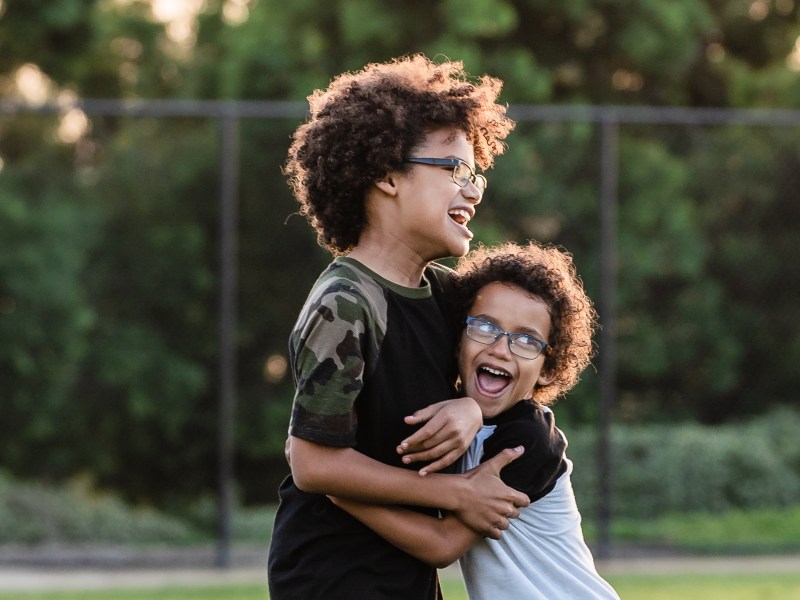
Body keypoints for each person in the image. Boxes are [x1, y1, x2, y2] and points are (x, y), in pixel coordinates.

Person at [267, 55, 531, 600]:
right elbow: (313, 463)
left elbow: (504, 373)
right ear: (387, 175)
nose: (474, 190)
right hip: (332, 579)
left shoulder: (446, 296)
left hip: (406, 576)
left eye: (475, 173)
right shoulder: (345, 304)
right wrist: (456, 493)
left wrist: (471, 406)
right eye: (455, 170)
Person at [333, 241, 621, 599]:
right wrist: (467, 407)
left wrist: (340, 493)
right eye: (485, 328)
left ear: (547, 370)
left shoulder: (525, 439)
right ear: (458, 343)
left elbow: (442, 545)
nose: (500, 349)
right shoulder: (454, 415)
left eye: (526, 341)